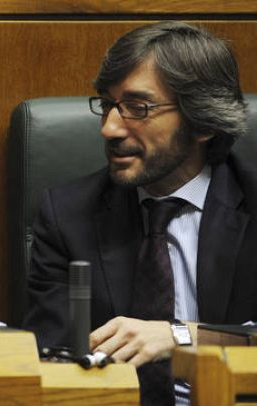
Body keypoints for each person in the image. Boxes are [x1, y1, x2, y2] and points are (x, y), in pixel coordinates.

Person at [23, 21, 256, 404]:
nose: (110, 128)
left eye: (137, 107)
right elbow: (53, 355)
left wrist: (183, 336)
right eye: (109, 105)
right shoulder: (67, 215)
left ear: (202, 122)